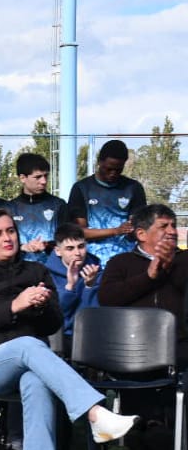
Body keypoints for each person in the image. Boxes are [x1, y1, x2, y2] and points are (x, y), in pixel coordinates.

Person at [0, 208, 138, 450]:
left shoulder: (35, 272)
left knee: (35, 380)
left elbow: (53, 324)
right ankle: (94, 412)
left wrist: (39, 306)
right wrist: (15, 306)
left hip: (29, 362)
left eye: (10, 230)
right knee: (28, 345)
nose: (7, 237)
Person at [97, 204, 188, 363]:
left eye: (173, 225)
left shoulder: (185, 260)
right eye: (163, 226)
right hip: (132, 348)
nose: (172, 231)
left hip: (179, 345)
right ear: (141, 234)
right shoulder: (121, 262)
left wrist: (170, 268)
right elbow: (107, 299)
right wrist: (148, 277)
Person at [68, 139, 147, 267]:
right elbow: (79, 232)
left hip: (125, 260)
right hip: (91, 263)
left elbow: (136, 226)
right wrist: (115, 231)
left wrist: (132, 229)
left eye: (118, 169)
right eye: (108, 168)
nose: (113, 173)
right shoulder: (81, 188)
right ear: (99, 162)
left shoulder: (134, 188)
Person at [43, 222, 100, 340]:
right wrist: (69, 287)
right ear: (58, 251)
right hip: (59, 338)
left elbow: (95, 315)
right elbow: (55, 316)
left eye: (81, 246)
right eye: (70, 248)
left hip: (91, 336)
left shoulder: (98, 272)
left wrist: (89, 287)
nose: (77, 253)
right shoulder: (46, 276)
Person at [9, 153, 69, 264]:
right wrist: (23, 247)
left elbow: (67, 240)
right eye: (37, 177)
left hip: (52, 271)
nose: (43, 181)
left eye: (45, 176)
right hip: (19, 272)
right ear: (22, 178)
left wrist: (47, 246)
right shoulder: (10, 208)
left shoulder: (59, 205)